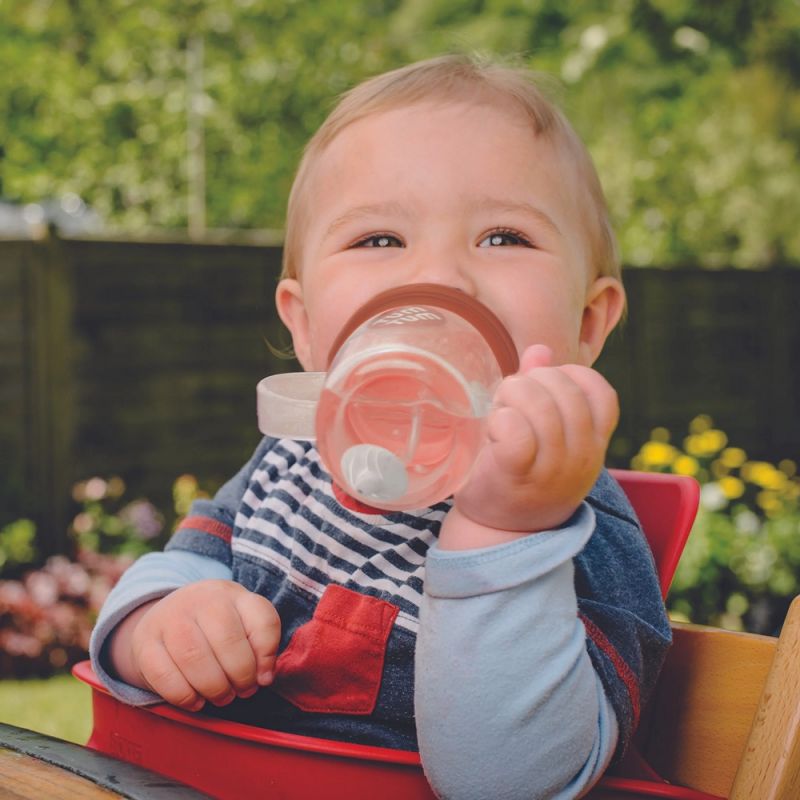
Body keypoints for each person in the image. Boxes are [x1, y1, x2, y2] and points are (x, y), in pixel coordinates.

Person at [90, 54, 670, 799]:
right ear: (304, 326)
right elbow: (184, 564)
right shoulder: (288, 463)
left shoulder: (577, 529)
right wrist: (163, 623)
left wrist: (506, 529)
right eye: (379, 240)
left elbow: (510, 781)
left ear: (588, 324)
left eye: (502, 237)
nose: (439, 278)